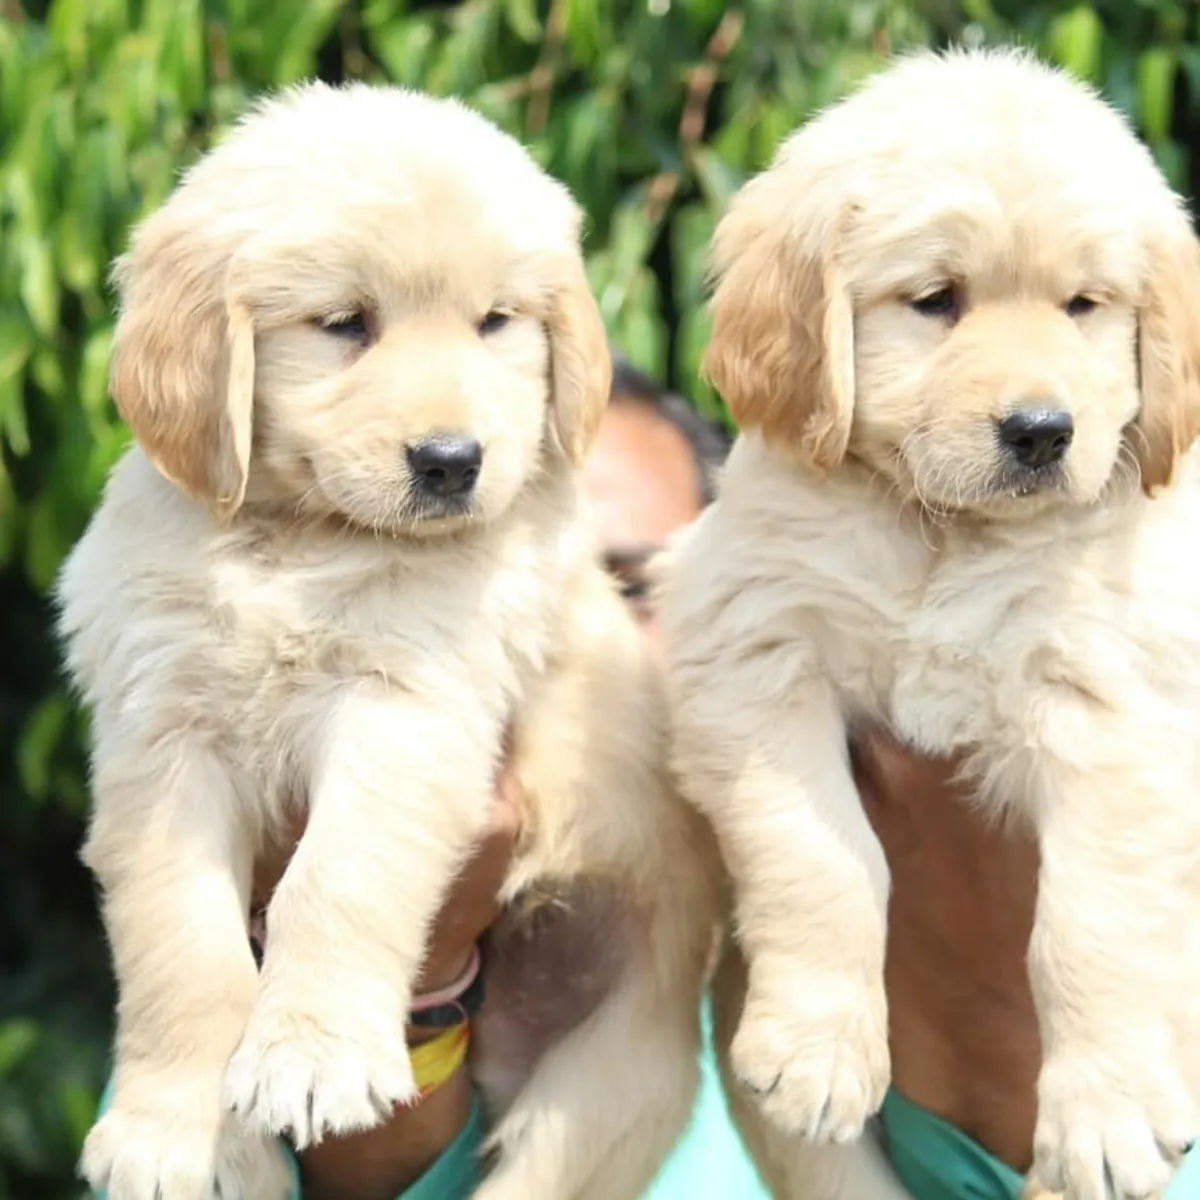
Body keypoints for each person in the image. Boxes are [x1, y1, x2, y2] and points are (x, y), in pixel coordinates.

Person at [95, 354, 1200, 1199]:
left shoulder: (1076, 863)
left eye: (629, 587)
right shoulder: (233, 970)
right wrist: (421, 984)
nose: (589, 649)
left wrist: (984, 976)